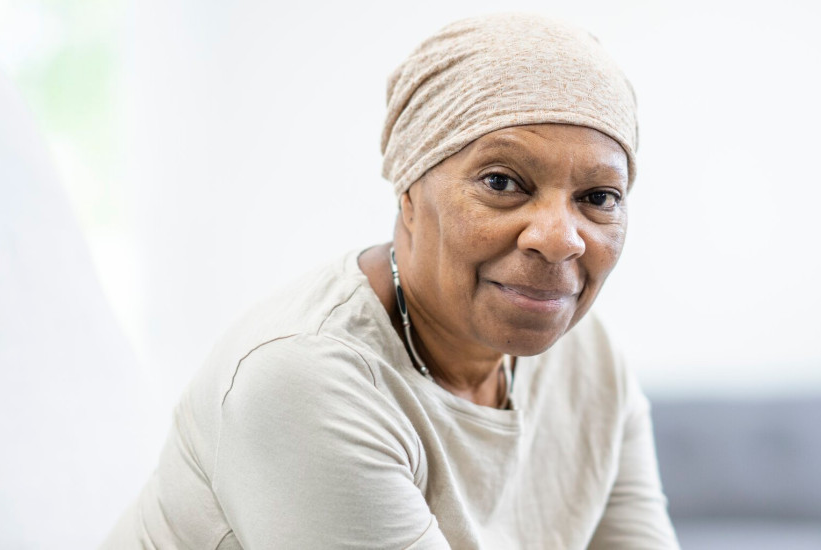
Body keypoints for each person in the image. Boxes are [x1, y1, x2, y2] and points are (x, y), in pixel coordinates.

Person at [104, 13, 679, 549]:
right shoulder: (305, 378)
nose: (559, 239)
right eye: (502, 182)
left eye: (599, 198)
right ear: (409, 191)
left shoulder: (590, 360)